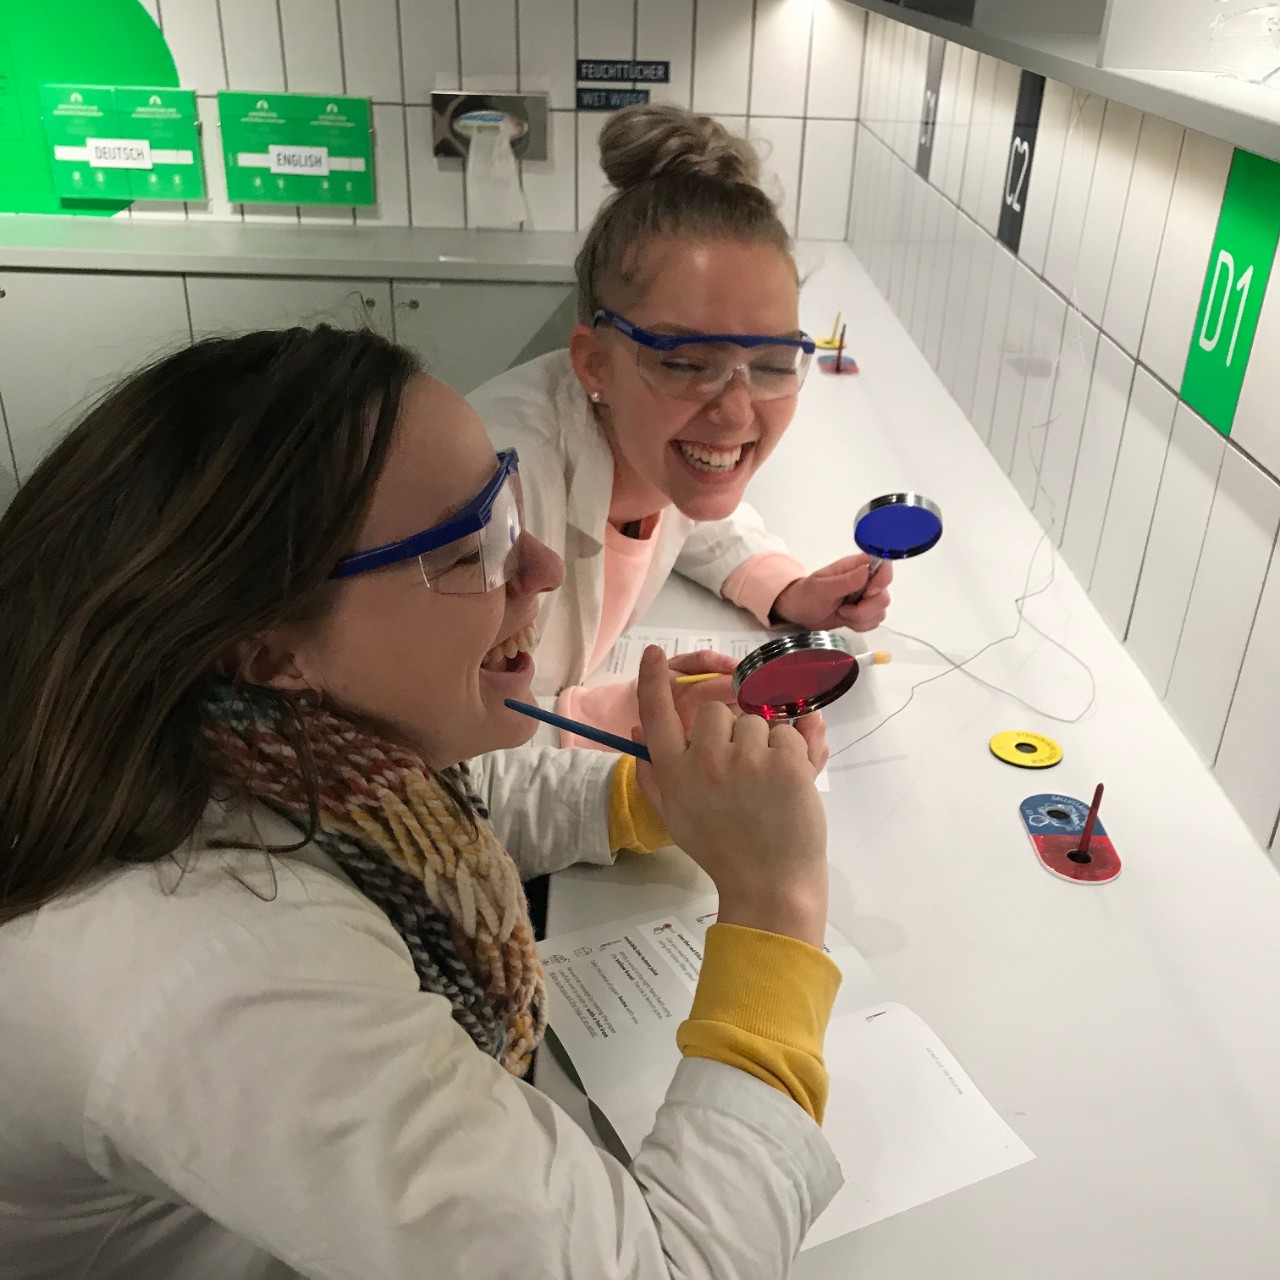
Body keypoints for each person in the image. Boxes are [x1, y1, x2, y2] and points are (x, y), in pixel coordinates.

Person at [0, 326, 845, 1279]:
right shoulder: (215, 968)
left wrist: (647, 792)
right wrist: (778, 906)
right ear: (271, 649)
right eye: (467, 549)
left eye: (506, 505)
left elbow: (450, 805)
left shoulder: (237, 734)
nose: (540, 567)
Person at [469, 104, 893, 744]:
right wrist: (614, 726)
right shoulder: (499, 503)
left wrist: (787, 591)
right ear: (594, 363)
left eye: (774, 363)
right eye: (689, 362)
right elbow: (429, 766)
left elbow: (689, 505)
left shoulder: (651, 442)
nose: (736, 412)